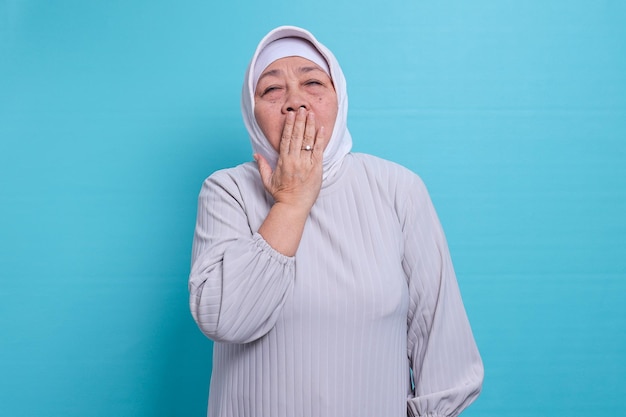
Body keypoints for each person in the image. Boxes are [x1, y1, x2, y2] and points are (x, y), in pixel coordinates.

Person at [189, 25, 483, 417]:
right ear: (251, 112)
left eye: (313, 83)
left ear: (339, 97)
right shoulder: (226, 190)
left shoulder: (398, 189)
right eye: (272, 90)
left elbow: (445, 358)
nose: (295, 102)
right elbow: (226, 319)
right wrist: (292, 202)